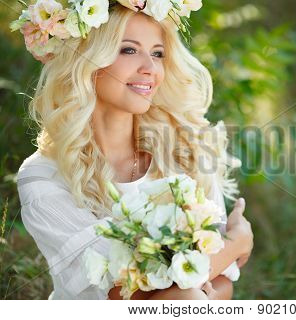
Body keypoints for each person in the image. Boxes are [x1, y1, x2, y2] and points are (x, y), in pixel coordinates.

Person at [14, 1, 253, 299]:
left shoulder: (185, 152)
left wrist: (192, 284)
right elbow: (123, 292)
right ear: (85, 59)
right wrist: (236, 243)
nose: (150, 69)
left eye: (157, 53)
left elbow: (223, 284)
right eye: (128, 50)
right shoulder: (43, 176)